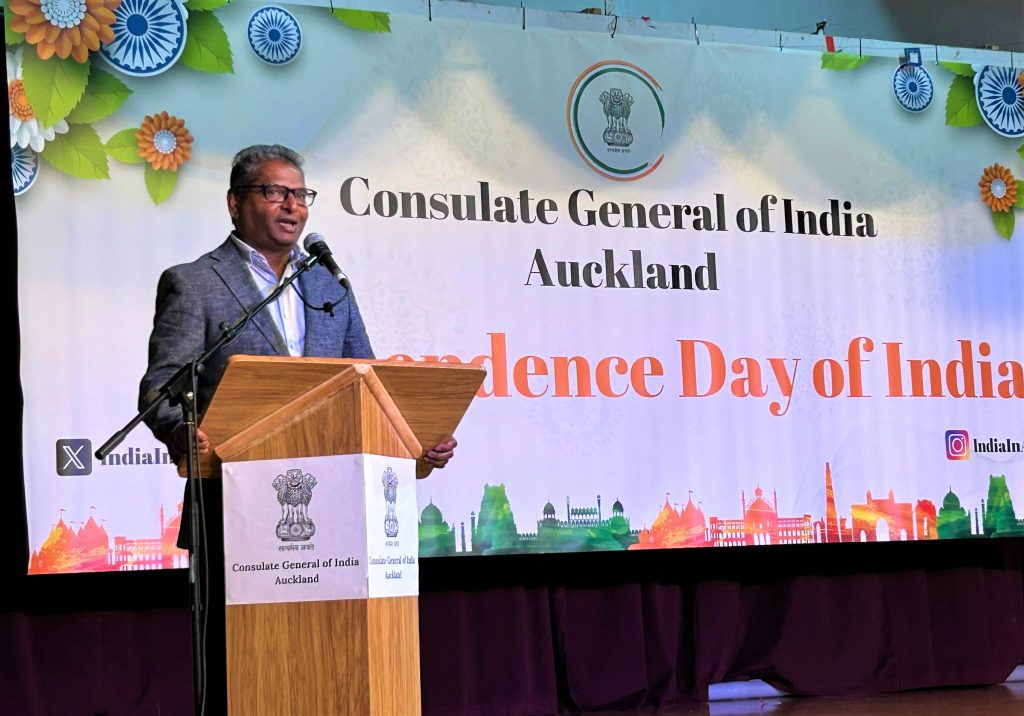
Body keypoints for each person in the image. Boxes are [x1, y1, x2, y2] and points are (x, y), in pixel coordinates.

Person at [137, 144, 456, 714]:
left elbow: (369, 382)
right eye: (275, 192)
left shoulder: (330, 286)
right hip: (231, 510)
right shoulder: (195, 283)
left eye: (301, 194)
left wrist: (414, 441)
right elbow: (162, 389)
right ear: (235, 203)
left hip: (338, 515)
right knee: (243, 669)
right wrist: (181, 431)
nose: (292, 206)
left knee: (336, 661)